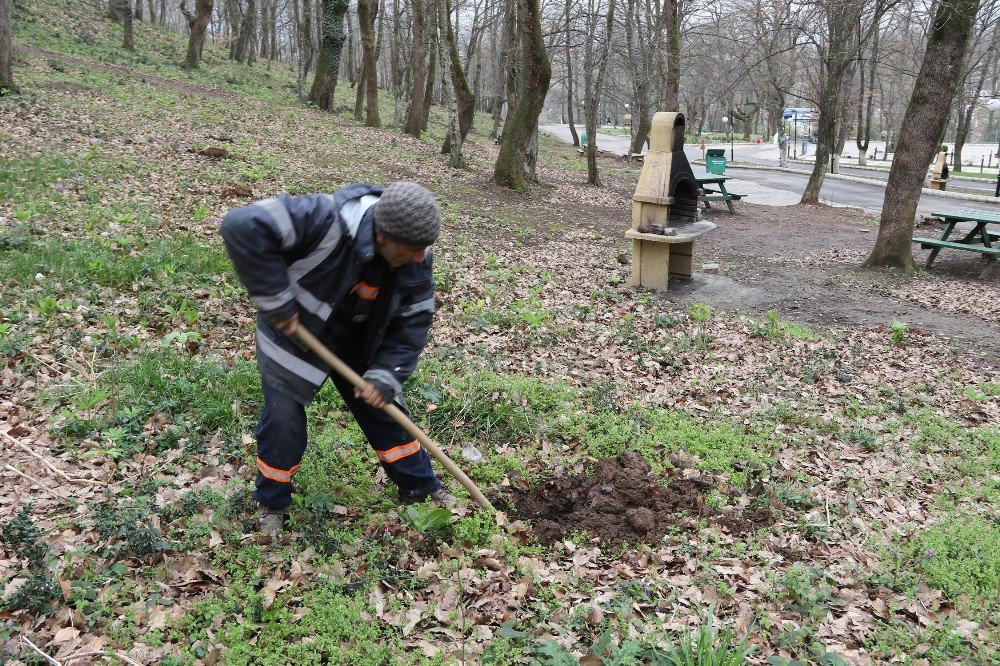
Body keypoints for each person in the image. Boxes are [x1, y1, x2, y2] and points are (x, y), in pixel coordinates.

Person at [220, 181, 456, 534]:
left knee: (385, 410)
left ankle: (420, 487)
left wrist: (386, 374)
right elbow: (241, 224)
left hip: (359, 337)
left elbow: (414, 321)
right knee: (284, 420)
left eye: (424, 249)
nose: (422, 258)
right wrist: (274, 298)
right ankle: (271, 502)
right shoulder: (322, 219)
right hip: (295, 332)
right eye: (414, 249)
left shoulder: (416, 258)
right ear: (383, 237)